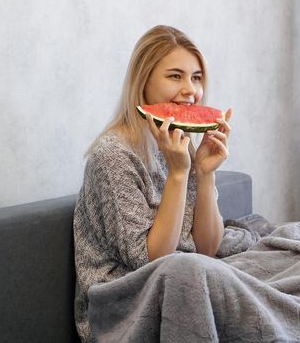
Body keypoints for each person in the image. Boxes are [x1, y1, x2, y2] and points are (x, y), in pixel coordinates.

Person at [72, 25, 232, 342]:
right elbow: (153, 262)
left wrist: (204, 172)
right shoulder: (112, 156)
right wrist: (177, 174)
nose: (191, 90)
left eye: (196, 77)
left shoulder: (179, 145)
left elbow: (208, 248)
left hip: (188, 278)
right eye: (175, 76)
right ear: (143, 81)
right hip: (125, 310)